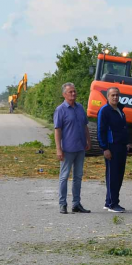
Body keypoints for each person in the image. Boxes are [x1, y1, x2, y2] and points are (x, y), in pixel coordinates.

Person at [53, 83, 91, 215]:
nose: (73, 94)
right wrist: (58, 149)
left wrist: (88, 140)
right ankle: (62, 204)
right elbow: (57, 130)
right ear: (64, 94)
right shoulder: (60, 110)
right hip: (67, 149)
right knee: (64, 177)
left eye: (74, 91)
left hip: (80, 148)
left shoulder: (80, 108)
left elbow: (85, 125)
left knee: (78, 177)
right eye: (70, 92)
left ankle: (76, 204)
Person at [97, 87, 129, 213]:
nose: (115, 97)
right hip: (111, 147)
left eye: (117, 95)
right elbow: (101, 130)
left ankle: (110, 201)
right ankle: (112, 204)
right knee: (113, 176)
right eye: (112, 95)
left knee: (119, 175)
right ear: (108, 97)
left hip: (121, 146)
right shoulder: (104, 111)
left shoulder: (120, 110)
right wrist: (104, 148)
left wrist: (126, 143)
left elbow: (123, 128)